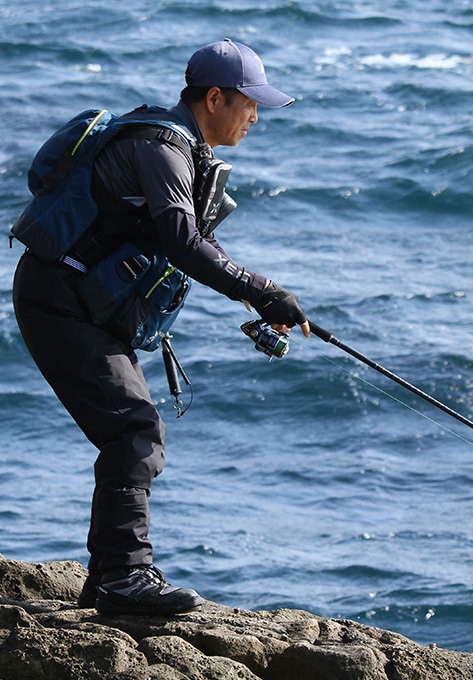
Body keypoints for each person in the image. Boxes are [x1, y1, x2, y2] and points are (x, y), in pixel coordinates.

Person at [11, 39, 309, 615]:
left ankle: (107, 583)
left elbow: (201, 244)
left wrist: (266, 301)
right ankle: (125, 577)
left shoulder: (183, 150)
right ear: (215, 97)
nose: (255, 117)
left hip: (80, 300)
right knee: (134, 430)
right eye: (250, 104)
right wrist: (263, 290)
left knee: (133, 431)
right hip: (58, 298)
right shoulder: (161, 146)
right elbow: (183, 241)